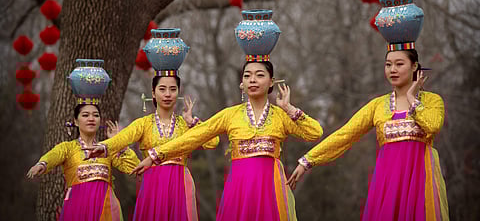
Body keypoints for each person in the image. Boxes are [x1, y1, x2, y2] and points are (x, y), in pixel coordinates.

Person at [287, 0, 449, 221]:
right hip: (387, 185)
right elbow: (345, 135)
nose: (392, 69)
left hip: (419, 184)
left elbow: (432, 127)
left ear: (415, 67)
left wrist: (413, 98)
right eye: (388, 64)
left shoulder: (432, 101)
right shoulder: (378, 106)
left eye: (399, 64)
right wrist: (307, 161)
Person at [129, 60, 323, 221]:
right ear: (241, 84)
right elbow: (194, 137)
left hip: (270, 187)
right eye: (247, 76)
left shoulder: (281, 116)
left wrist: (289, 108)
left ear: (271, 82)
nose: (252, 80)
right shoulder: (230, 115)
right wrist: (155, 155)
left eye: (259, 75)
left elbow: (315, 132)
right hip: (239, 188)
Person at [84, 28, 219, 221]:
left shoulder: (183, 125)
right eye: (162, 89)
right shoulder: (144, 123)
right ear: (153, 93)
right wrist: (105, 146)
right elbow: (125, 137)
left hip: (180, 183)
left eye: (173, 89)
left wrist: (194, 122)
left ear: (178, 92)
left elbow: (212, 142)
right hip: (153, 183)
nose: (167, 94)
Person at [26, 102, 140, 221]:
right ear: (75, 121)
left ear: (100, 121)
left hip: (106, 207)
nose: (91, 118)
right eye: (85, 115)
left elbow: (134, 166)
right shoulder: (68, 148)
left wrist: (118, 142)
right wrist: (42, 164)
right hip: (78, 205)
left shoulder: (107, 148)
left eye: (95, 115)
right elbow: (54, 155)